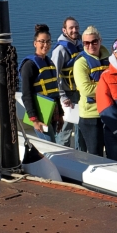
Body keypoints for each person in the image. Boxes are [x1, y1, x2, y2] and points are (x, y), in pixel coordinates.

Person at [19, 24, 63, 142]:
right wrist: (34, 119)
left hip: (52, 112)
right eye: (42, 41)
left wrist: (61, 115)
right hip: (41, 114)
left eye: (48, 41)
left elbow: (55, 91)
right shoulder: (29, 65)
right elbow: (26, 94)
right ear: (35, 43)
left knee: (53, 143)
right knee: (50, 144)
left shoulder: (49, 63)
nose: (45, 44)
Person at [73, 25, 110, 156]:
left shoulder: (109, 58)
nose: (91, 45)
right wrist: (110, 86)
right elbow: (86, 89)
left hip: (109, 112)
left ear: (100, 40)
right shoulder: (80, 63)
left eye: (94, 41)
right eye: (86, 43)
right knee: (96, 154)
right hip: (91, 116)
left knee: (114, 152)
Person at [50, 17, 82, 148]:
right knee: (65, 129)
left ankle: (80, 155)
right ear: (64, 30)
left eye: (76, 27)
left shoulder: (80, 46)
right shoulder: (60, 50)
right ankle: (62, 156)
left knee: (81, 127)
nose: (74, 30)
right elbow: (55, 75)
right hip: (67, 94)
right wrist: (62, 96)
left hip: (80, 93)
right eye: (71, 28)